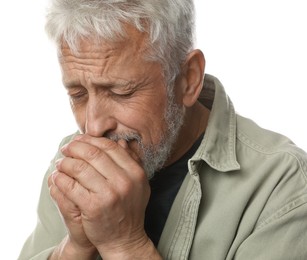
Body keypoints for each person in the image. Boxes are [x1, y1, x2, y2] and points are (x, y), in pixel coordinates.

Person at [18, 0, 307, 259]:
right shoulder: (72, 163)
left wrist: (125, 244)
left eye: (121, 92)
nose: (93, 127)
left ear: (189, 79)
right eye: (78, 94)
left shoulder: (283, 184)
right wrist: (76, 248)